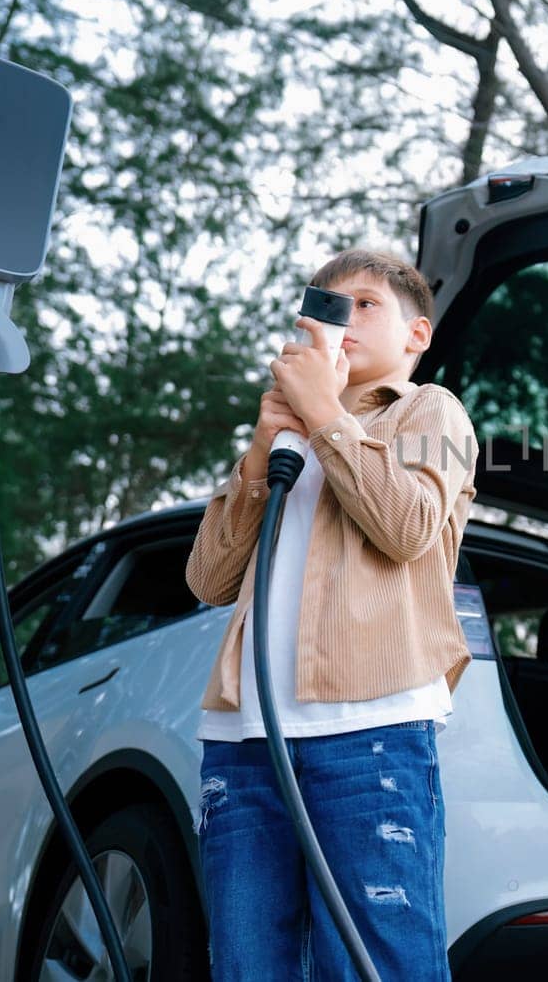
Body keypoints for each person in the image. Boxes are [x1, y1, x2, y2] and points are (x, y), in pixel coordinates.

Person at [185, 248, 478, 982]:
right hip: (245, 740)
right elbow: (209, 577)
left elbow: (408, 524)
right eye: (325, 304)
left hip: (367, 732)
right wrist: (263, 447)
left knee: (378, 962)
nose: (341, 318)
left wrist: (324, 413)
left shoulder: (429, 408)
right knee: (249, 965)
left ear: (418, 333)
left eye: (366, 303)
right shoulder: (289, 436)